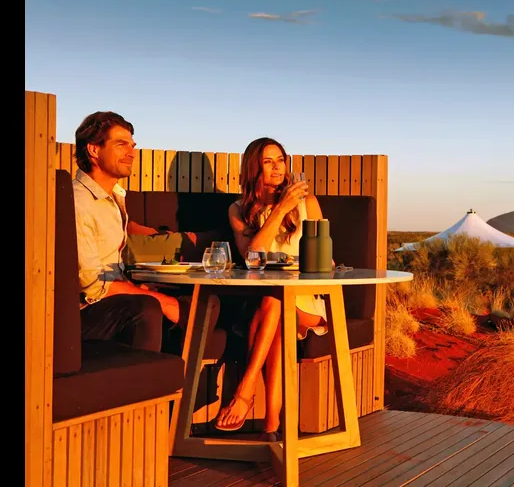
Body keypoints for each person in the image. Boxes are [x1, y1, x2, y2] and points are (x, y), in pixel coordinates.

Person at [73, 111, 220, 353]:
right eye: (121, 145)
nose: (131, 153)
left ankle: (176, 380)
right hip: (84, 310)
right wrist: (159, 301)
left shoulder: (115, 197)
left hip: (114, 293)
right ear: (94, 150)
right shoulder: (79, 201)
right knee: (147, 308)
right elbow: (91, 283)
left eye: (132, 145)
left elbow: (111, 265)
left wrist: (136, 285)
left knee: (206, 303)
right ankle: (146, 383)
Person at [214, 137, 329, 441]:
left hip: (307, 305)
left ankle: (245, 390)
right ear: (254, 168)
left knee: (275, 299)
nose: (278, 168)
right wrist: (280, 209)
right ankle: (271, 429)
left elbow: (325, 257)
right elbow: (252, 255)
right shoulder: (238, 209)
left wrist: (292, 207)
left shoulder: (309, 203)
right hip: (268, 303)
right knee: (275, 307)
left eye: (281, 160)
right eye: (268, 161)